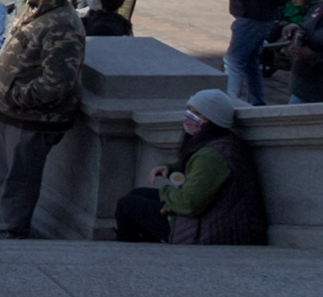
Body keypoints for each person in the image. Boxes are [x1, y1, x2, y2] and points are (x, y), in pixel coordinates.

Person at [0, 0, 84, 239]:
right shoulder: (34, 9)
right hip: (11, 114)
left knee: (20, 180)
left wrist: (14, 95)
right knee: (5, 176)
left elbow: (57, 82)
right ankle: (0, 223)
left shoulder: (63, 25)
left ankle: (9, 232)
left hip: (31, 118)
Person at [115, 88, 271, 245]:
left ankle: (127, 249)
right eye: (189, 111)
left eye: (198, 113)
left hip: (210, 230)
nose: (190, 117)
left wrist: (165, 193)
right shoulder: (223, 143)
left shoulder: (211, 155)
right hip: (213, 219)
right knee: (139, 194)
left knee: (127, 205)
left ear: (213, 120)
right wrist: (170, 169)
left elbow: (189, 204)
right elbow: (201, 175)